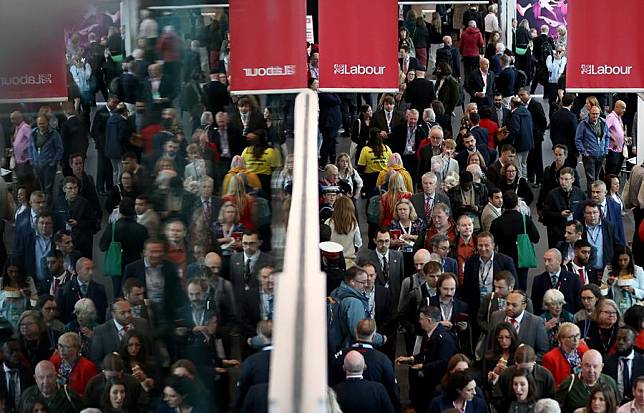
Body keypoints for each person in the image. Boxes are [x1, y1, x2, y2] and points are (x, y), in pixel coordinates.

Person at [396, 306, 458, 413]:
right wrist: (410, 359)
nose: (419, 322)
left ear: (428, 320)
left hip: (435, 385)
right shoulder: (431, 334)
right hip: (427, 383)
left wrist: (423, 366)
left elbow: (444, 362)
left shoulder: (444, 338)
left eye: (421, 318)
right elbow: (426, 355)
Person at [330, 319, 400, 408]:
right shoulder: (382, 359)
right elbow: (392, 390)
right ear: (374, 336)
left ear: (356, 332)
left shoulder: (340, 356)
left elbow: (331, 382)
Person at [461, 232, 518, 320]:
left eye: (486, 245)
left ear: (493, 245)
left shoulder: (506, 261)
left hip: (499, 307)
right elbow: (466, 287)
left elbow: (515, 286)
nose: (483, 248)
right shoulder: (471, 262)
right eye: (480, 245)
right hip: (477, 307)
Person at [490, 190, 539, 290]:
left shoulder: (497, 222)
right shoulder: (525, 219)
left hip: (504, 259)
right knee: (521, 287)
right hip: (522, 259)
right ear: (517, 203)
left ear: (504, 203)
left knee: (505, 287)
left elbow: (493, 243)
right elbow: (536, 238)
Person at [490, 345, 556, 412]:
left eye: (528, 369)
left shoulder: (545, 375)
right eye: (521, 368)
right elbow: (497, 398)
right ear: (516, 363)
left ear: (534, 362)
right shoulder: (506, 375)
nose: (525, 372)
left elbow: (551, 400)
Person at [486, 290, 549, 358]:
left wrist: (527, 362)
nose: (509, 308)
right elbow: (489, 346)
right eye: (508, 304)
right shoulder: (496, 316)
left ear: (524, 306)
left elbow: (543, 352)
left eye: (514, 305)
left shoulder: (536, 322)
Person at [556, 350, 621, 413]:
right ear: (581, 365)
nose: (591, 370)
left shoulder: (610, 382)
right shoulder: (569, 383)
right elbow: (556, 407)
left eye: (595, 366)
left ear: (601, 367)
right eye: (587, 366)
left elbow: (617, 407)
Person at [357, 228, 404, 309]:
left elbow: (400, 278)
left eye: (387, 241)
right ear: (375, 241)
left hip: (394, 301)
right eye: (380, 241)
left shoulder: (398, 256)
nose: (384, 244)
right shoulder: (365, 258)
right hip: (375, 302)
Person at [542, 167, 587, 247]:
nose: (563, 182)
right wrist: (560, 214)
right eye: (561, 179)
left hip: (575, 234)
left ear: (572, 179)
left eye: (566, 179)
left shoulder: (580, 193)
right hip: (558, 235)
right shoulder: (552, 195)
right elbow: (545, 214)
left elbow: (585, 211)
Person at [56, 258, 108, 325]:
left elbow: (102, 315)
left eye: (92, 269)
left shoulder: (100, 289)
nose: (91, 272)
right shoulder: (64, 289)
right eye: (87, 269)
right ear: (78, 270)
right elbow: (61, 314)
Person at [531, 248, 581, 315]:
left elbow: (578, 302)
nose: (546, 264)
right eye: (545, 260)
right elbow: (536, 305)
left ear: (559, 261)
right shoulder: (538, 280)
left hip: (568, 319)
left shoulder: (573, 279)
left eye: (549, 260)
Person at [574, 180, 625, 245]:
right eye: (593, 192)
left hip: (610, 245)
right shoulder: (582, 206)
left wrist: (623, 249)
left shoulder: (615, 206)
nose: (594, 195)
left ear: (605, 192)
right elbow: (576, 226)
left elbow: (620, 228)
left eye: (598, 192)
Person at [49, 332, 97, 397]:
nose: (61, 350)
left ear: (77, 349)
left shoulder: (88, 367)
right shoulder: (54, 360)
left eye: (67, 347)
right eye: (60, 345)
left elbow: (91, 394)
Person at [542, 322, 589, 387]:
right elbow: (550, 386)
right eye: (571, 337)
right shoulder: (550, 358)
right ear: (561, 339)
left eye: (577, 335)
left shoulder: (584, 349)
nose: (576, 340)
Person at [605, 326, 644, 402]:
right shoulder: (607, 362)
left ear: (634, 341)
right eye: (618, 339)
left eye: (625, 339)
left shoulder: (642, 362)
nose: (620, 342)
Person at [576, 106, 609, 194]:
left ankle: (597, 196)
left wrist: (605, 151)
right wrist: (584, 152)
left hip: (601, 155)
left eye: (597, 114)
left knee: (597, 177)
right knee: (591, 179)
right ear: (589, 113)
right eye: (593, 113)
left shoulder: (603, 122)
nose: (595, 116)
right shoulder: (583, 124)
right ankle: (591, 199)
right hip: (589, 156)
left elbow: (606, 137)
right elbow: (578, 139)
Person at [602, 245, 644, 315]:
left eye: (625, 260)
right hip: (614, 306)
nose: (622, 263)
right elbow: (603, 290)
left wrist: (633, 290)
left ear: (630, 259)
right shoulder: (609, 269)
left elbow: (643, 292)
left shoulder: (638, 270)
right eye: (620, 260)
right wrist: (609, 283)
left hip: (633, 306)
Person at [29, 115, 63, 198]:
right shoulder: (33, 133)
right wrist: (32, 160)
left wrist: (54, 161)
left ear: (47, 123)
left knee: (48, 188)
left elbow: (60, 148)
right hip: (37, 165)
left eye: (43, 123)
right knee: (41, 187)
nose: (41, 125)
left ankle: (49, 206)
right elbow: (30, 147)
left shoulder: (54, 134)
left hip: (49, 166)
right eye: (39, 124)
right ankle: (42, 205)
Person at [357, 128, 393, 197]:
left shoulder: (365, 150)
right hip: (384, 178)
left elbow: (361, 167)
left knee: (370, 199)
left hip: (370, 180)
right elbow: (391, 163)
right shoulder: (386, 148)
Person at [507, 97, 534, 180]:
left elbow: (515, 130)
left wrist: (509, 139)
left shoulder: (515, 115)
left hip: (518, 144)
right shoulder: (527, 112)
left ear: (512, 104)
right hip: (528, 142)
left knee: (517, 165)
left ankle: (519, 181)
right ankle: (524, 180)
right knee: (523, 163)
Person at [605, 100, 627, 176]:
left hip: (620, 150)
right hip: (613, 150)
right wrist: (613, 139)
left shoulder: (619, 117)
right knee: (611, 172)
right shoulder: (611, 117)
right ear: (616, 107)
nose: (624, 110)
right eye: (623, 108)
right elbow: (604, 130)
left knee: (616, 173)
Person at [459, 20, 484, 84]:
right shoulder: (478, 34)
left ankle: (467, 82)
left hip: (466, 54)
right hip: (475, 55)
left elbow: (461, 44)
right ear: (475, 26)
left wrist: (461, 52)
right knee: (475, 69)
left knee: (467, 69)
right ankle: (474, 82)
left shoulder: (464, 34)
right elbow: (481, 44)